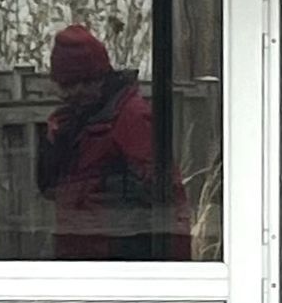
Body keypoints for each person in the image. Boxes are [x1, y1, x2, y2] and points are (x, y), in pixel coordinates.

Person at [35, 25, 191, 259]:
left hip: (117, 263)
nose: (67, 94)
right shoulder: (70, 123)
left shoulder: (131, 118)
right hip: (79, 258)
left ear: (96, 79)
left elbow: (168, 200)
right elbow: (50, 189)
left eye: (73, 84)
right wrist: (54, 145)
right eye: (62, 85)